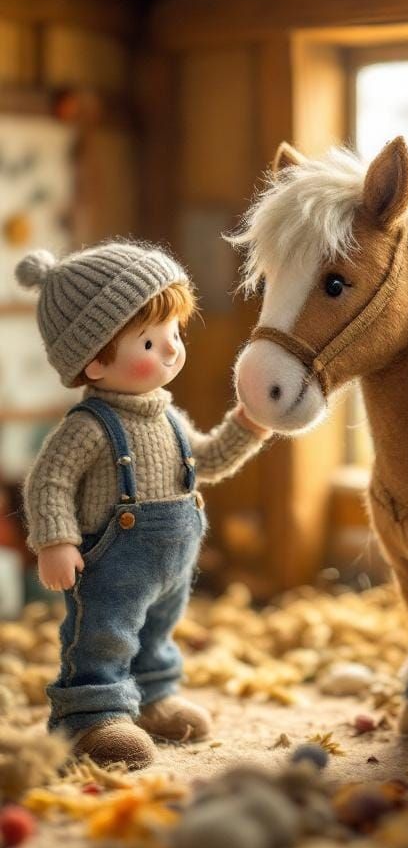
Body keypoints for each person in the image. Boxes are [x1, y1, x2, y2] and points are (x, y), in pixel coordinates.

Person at [16, 240, 270, 768]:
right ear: (93, 362)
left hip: (171, 560)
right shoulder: (89, 427)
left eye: (175, 333)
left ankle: (152, 694)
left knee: (157, 629)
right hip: (112, 560)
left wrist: (245, 427)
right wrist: (56, 540)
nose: (173, 348)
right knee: (103, 634)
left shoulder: (168, 417)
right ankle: (92, 716)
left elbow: (207, 459)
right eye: (151, 342)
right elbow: (49, 481)